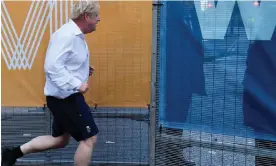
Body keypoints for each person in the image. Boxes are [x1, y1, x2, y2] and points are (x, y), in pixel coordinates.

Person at [1, 1, 100, 166]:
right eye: (96, 15)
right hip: (66, 98)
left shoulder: (75, 35)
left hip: (63, 97)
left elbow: (64, 63)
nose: (98, 19)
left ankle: (11, 153)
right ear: (86, 16)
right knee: (89, 138)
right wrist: (77, 83)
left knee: (60, 140)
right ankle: (11, 153)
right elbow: (51, 67)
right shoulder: (66, 35)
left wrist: (82, 70)